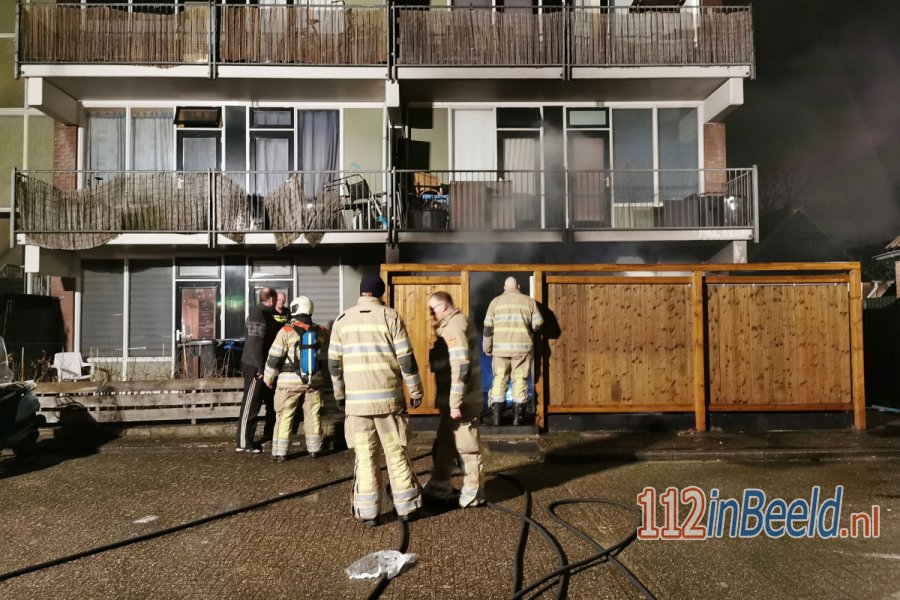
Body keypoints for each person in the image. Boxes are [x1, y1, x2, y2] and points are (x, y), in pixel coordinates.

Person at [328, 275, 424, 526]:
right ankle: (408, 508)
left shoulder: (342, 321)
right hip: (388, 403)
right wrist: (415, 391)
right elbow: (406, 359)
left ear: (361, 292)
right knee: (395, 452)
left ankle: (368, 512)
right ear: (381, 293)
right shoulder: (390, 317)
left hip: (357, 406)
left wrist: (340, 395)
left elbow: (334, 365)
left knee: (365, 456)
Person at [423, 291, 484, 508]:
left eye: (433, 309)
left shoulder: (454, 326)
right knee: (445, 443)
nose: (431, 314)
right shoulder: (451, 325)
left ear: (444, 306)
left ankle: (473, 495)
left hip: (462, 402)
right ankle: (439, 487)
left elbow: (461, 365)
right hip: (455, 402)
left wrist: (455, 402)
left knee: (467, 449)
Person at [263, 296, 328, 461]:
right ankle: (315, 449)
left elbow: (273, 358)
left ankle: (280, 452)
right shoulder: (321, 331)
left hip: (289, 382)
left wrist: (268, 379)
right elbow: (326, 356)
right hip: (313, 380)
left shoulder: (286, 331)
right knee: (313, 414)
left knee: (285, 415)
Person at [483, 276, 543, 427]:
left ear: (504, 288)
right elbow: (538, 325)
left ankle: (496, 419)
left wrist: (487, 348)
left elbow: (487, 329)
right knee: (520, 380)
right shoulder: (529, 301)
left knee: (499, 379)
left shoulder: (495, 302)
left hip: (500, 351)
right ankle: (518, 419)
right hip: (521, 351)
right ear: (519, 286)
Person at [236, 287, 280, 453]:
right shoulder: (258, 316)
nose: (276, 304)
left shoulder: (263, 315)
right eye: (275, 300)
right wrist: (260, 368)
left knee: (254, 403)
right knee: (251, 403)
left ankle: (247, 440)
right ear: (271, 300)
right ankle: (243, 443)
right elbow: (255, 344)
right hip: (255, 365)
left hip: (257, 364)